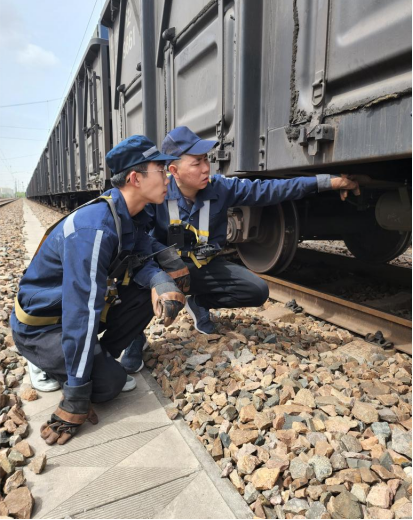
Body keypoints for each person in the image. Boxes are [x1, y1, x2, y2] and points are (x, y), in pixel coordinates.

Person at [122, 126, 361, 376]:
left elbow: (272, 190)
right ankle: (134, 337)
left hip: (203, 267)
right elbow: (138, 239)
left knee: (257, 290)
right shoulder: (158, 193)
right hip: (168, 269)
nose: (206, 168)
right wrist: (162, 270)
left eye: (206, 160)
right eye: (196, 163)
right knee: (136, 281)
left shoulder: (220, 188)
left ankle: (199, 303)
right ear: (174, 171)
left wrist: (328, 182)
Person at [10, 135, 189, 445]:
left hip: (69, 313)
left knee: (152, 293)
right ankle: (43, 359)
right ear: (136, 178)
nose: (167, 176)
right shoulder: (94, 229)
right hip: (42, 327)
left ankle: (94, 357)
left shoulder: (128, 215)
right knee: (108, 387)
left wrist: (161, 281)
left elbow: (139, 257)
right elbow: (81, 312)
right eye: (160, 169)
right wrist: (76, 400)